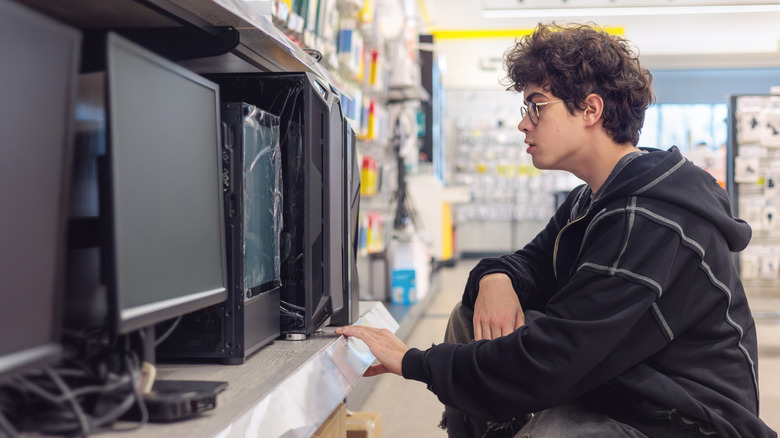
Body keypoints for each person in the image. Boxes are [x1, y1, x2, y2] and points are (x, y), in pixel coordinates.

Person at [335, 22, 777, 437]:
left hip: (684, 418)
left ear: (590, 109)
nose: (523, 122)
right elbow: (528, 262)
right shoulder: (593, 199)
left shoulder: (651, 219)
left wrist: (413, 361)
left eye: (536, 106)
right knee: (470, 316)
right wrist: (496, 276)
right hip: (628, 385)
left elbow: (557, 355)